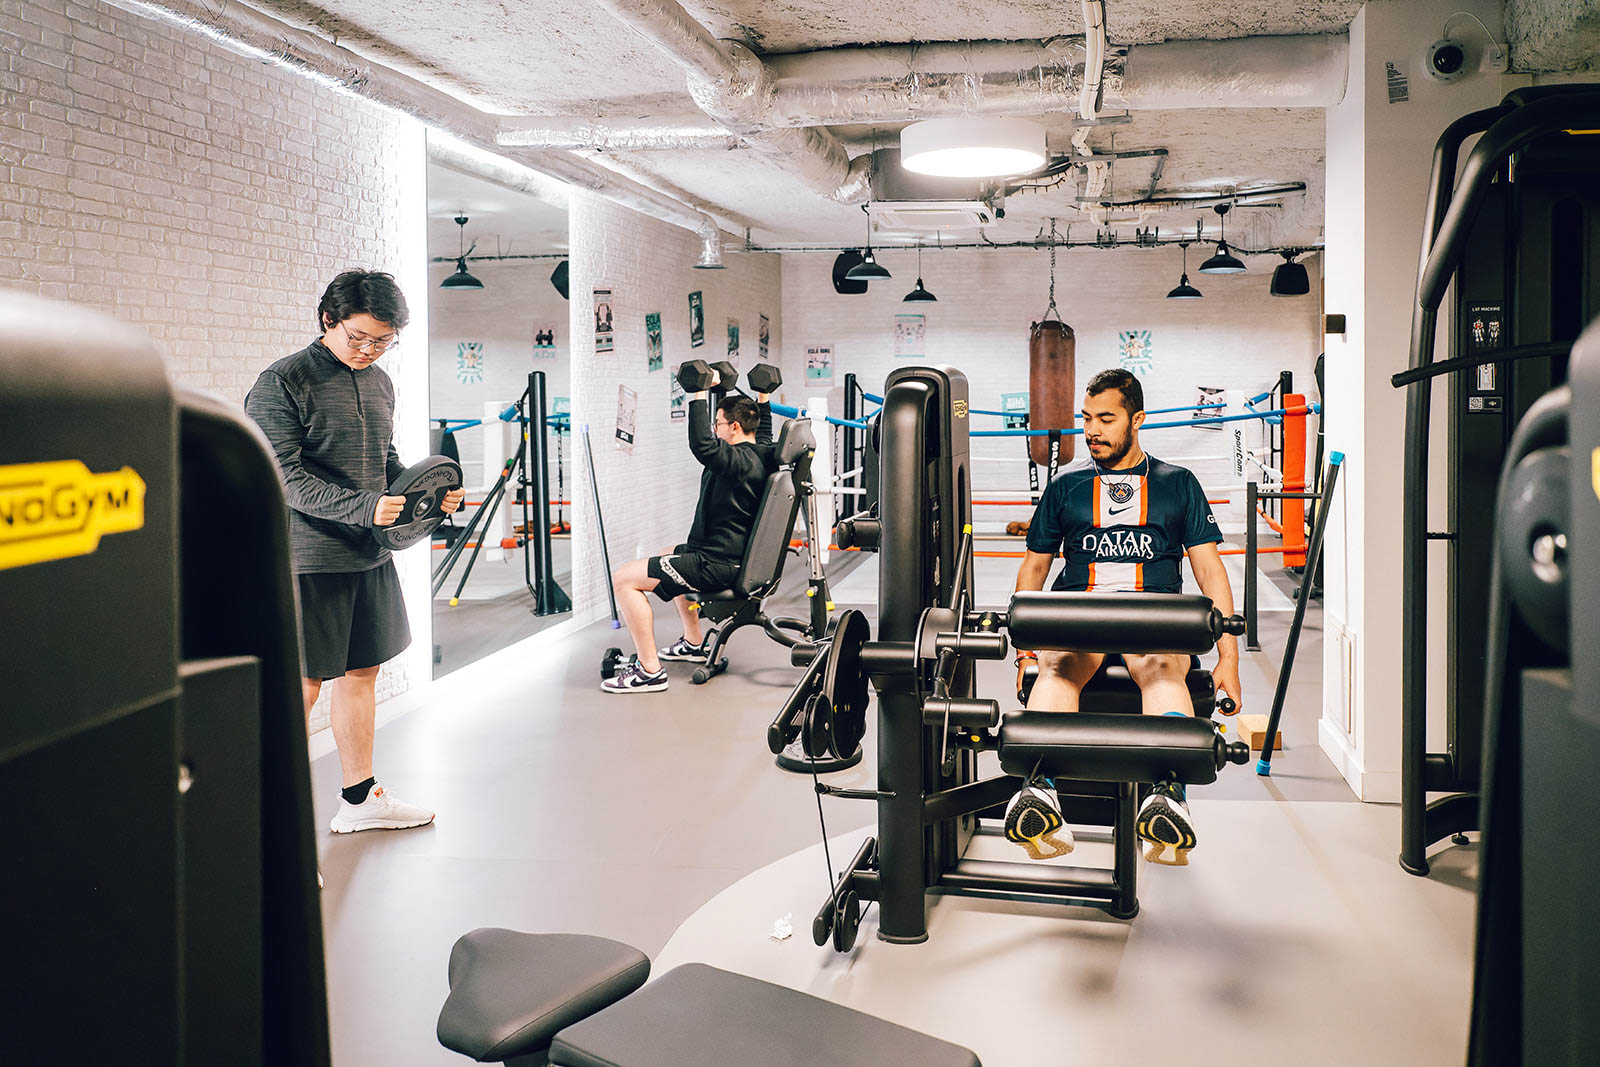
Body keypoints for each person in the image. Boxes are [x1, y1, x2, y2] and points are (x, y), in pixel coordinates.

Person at [245, 270, 464, 835]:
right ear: (328, 321)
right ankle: (274, 828)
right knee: (304, 683)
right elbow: (282, 476)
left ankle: (360, 797)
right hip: (309, 557)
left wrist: (432, 492)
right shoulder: (283, 382)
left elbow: (384, 462)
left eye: (383, 340)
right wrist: (364, 507)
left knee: (361, 672)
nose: (369, 350)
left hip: (368, 553)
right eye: (359, 337)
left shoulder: (380, 382)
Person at [1003, 368, 1242, 866]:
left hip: (1153, 618)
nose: (1092, 430)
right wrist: (1025, 652)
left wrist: (1229, 660)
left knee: (1161, 668)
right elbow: (1033, 570)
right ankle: (1041, 791)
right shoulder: (1065, 489)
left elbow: (1209, 573)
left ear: (1137, 419)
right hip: (1079, 614)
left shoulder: (1178, 484)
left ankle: (1167, 799)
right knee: (1057, 667)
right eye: (1086, 418)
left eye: (1106, 419)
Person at [603, 371, 775, 693]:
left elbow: (703, 446)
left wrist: (697, 394)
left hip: (715, 565)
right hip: (724, 558)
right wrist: (762, 398)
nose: (715, 429)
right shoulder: (762, 453)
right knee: (671, 552)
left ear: (735, 428)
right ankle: (694, 643)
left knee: (624, 579)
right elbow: (762, 431)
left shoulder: (736, 461)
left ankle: (649, 671)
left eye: (719, 424)